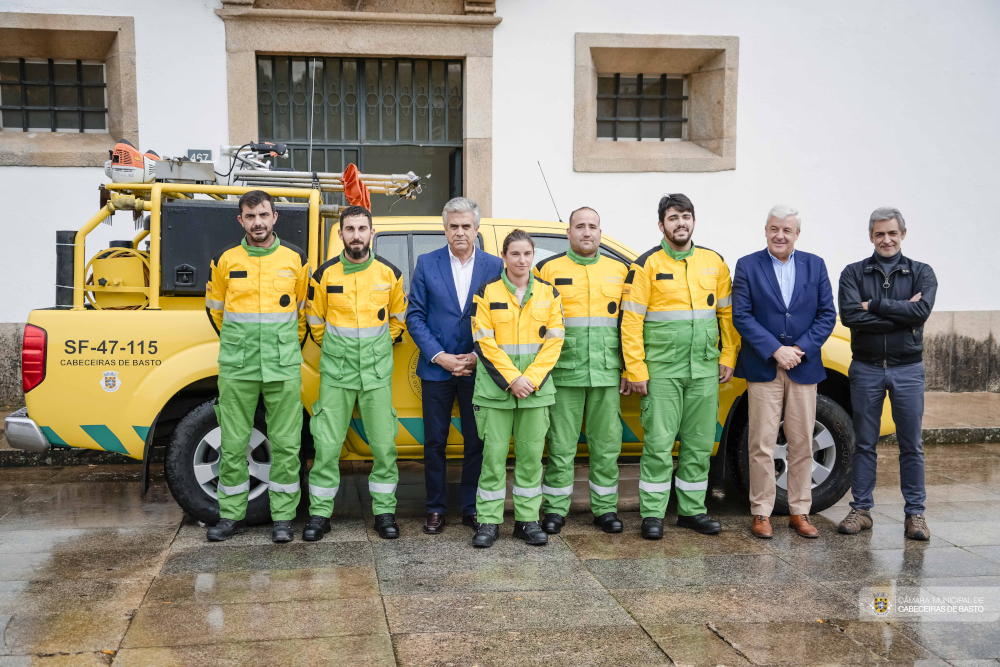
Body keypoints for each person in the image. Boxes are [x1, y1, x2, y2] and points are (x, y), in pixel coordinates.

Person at [620, 194, 739, 539]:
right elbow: (631, 323)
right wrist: (637, 370)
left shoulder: (713, 262)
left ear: (694, 221)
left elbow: (726, 316)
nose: (680, 223)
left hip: (703, 370)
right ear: (661, 225)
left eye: (686, 216)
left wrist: (728, 356)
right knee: (658, 445)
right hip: (662, 372)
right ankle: (653, 514)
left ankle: (692, 511)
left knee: (699, 445)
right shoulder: (646, 266)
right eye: (673, 218)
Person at [205, 190, 309, 543]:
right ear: (241, 220)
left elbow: (303, 315)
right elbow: (215, 312)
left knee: (286, 443)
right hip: (238, 365)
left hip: (282, 366)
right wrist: (240, 343)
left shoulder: (296, 259)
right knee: (233, 443)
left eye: (263, 215)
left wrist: (285, 347)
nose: (258, 223)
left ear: (274, 217)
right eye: (250, 217)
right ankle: (231, 517)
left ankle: (283, 518)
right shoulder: (225, 260)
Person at [732, 205, 836, 539]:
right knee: (761, 443)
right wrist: (775, 349)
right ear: (765, 230)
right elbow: (742, 315)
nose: (780, 235)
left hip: (803, 367)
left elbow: (826, 315)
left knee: (802, 442)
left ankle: (800, 511)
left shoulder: (815, 265)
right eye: (774, 229)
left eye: (786, 230)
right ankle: (761, 512)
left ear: (797, 234)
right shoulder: (748, 265)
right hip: (764, 366)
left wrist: (799, 349)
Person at [305, 205, 408, 541]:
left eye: (362, 229)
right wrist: (336, 350)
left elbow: (398, 320)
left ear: (371, 233)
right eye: (350, 229)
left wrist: (378, 350)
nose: (356, 236)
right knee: (327, 447)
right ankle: (320, 516)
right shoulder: (324, 276)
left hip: (376, 374)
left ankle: (384, 513)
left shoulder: (390, 274)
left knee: (383, 447)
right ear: (340, 235)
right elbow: (315, 322)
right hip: (336, 374)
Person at [837, 207, 936, 541]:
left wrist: (873, 305)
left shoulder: (922, 272)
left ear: (903, 235)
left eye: (892, 233)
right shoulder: (853, 273)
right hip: (866, 368)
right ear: (871, 237)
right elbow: (851, 316)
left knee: (912, 444)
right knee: (865, 442)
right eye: (880, 233)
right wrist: (902, 312)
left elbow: (921, 312)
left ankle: (915, 515)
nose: (886, 239)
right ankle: (861, 510)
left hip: (908, 369)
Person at [406, 197, 503, 534]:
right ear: (444, 228)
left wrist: (478, 356)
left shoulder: (495, 266)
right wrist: (440, 356)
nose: (460, 232)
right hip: (437, 368)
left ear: (476, 229)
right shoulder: (426, 263)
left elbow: (502, 319)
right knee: (435, 441)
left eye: (466, 226)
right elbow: (414, 316)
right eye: (453, 226)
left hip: (480, 369)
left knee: (477, 441)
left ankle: (471, 507)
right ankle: (435, 509)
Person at [534, 207, 629, 535]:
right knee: (560, 445)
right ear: (568, 232)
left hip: (606, 373)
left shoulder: (621, 271)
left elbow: (630, 323)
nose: (586, 232)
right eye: (580, 226)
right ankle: (555, 510)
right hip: (563, 373)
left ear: (600, 232)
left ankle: (605, 510)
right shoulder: (547, 269)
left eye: (593, 226)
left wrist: (630, 367)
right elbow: (535, 322)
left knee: (607, 445)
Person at [469, 230, 564, 548]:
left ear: (532, 256)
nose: (521, 260)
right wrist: (513, 379)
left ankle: (527, 521)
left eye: (527, 254)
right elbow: (484, 340)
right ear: (505, 257)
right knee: (493, 459)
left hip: (534, 393)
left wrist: (531, 379)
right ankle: (488, 522)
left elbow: (554, 342)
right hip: (496, 393)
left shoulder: (549, 294)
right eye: (515, 254)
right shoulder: (487, 291)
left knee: (530, 459)